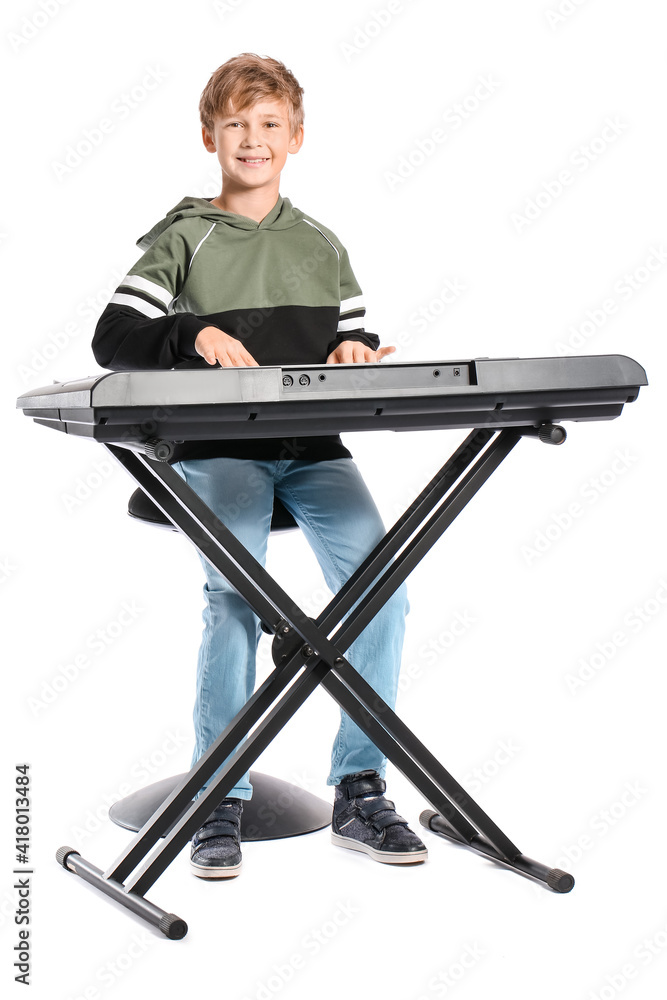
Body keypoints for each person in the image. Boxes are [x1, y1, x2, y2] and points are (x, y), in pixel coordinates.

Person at [92, 52, 427, 878]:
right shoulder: (183, 236)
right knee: (236, 592)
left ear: (296, 138)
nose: (253, 139)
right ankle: (221, 797)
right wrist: (190, 334)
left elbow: (341, 342)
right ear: (210, 136)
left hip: (312, 451)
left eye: (269, 124)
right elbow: (112, 338)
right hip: (220, 450)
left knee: (382, 586)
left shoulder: (322, 244)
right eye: (236, 124)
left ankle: (360, 786)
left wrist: (351, 349)